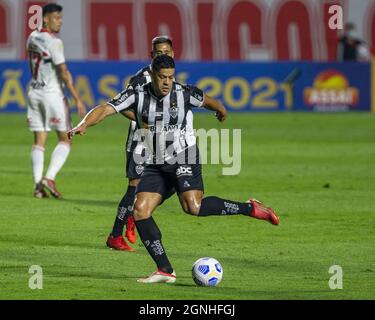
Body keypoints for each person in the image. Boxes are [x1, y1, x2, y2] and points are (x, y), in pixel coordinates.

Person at [68, 55, 280, 284]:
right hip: (156, 162)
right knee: (140, 210)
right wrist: (84, 124)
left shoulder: (184, 93)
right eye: (162, 77)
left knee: (193, 207)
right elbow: (106, 108)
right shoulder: (136, 94)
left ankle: (251, 209)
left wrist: (220, 110)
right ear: (152, 74)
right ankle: (165, 270)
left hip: (183, 156)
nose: (167, 82)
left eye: (170, 76)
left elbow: (208, 100)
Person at [106, 36, 175, 252]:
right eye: (158, 53)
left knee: (172, 180)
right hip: (140, 141)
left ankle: (135, 215)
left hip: (162, 141)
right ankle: (116, 235)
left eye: (166, 52)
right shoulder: (141, 78)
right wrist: (142, 119)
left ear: (172, 53)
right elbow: (122, 104)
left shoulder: (169, 76)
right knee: (134, 186)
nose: (162, 55)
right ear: (151, 55)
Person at [26, 3, 86, 199]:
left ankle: (37, 187)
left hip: (34, 92)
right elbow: (63, 72)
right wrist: (77, 98)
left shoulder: (32, 37)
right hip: (52, 94)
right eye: (56, 18)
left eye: (60, 18)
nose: (60, 21)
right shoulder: (54, 42)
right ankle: (49, 178)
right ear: (45, 18)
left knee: (39, 140)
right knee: (66, 138)